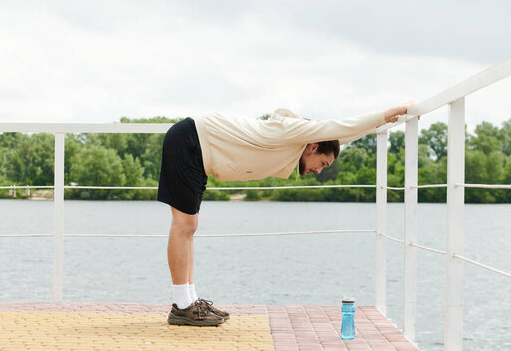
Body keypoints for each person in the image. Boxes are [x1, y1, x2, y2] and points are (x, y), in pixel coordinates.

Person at [157, 103, 411, 326]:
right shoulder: (291, 133)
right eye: (323, 164)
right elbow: (339, 127)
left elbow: (341, 135)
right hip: (190, 142)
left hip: (199, 150)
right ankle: (182, 306)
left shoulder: (296, 144)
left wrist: (383, 123)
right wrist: (385, 113)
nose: (319, 172)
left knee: (190, 225)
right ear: (312, 147)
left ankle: (189, 301)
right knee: (185, 224)